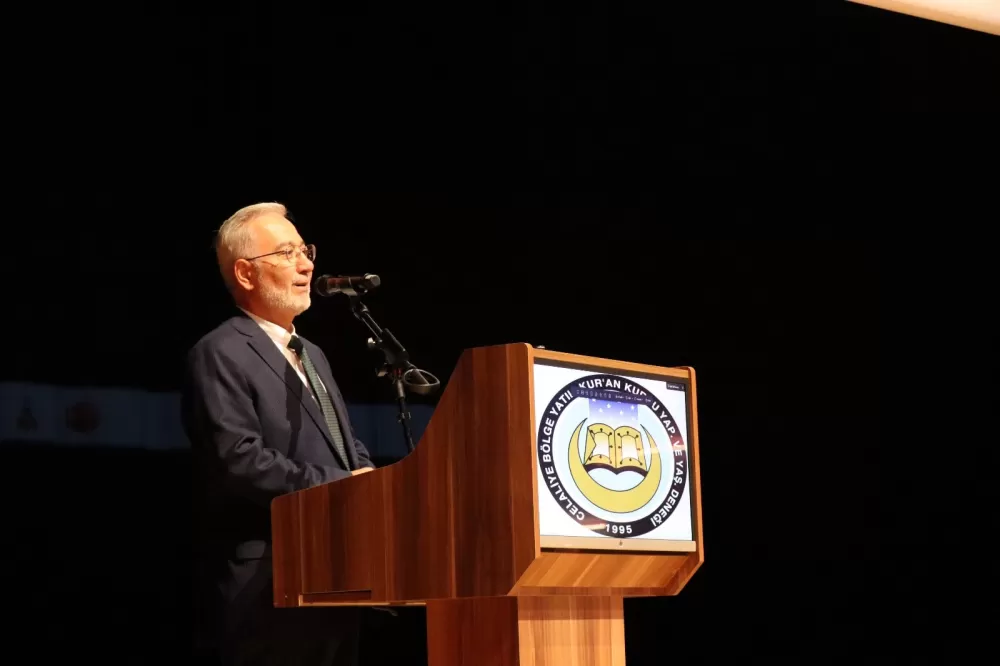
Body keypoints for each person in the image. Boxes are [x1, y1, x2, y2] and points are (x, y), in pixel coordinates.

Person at [182, 202, 374, 666]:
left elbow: (344, 443)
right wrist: (344, 486)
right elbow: (239, 461)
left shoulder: (312, 353)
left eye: (305, 251)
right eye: (287, 253)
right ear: (245, 273)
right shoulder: (220, 351)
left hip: (336, 573)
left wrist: (373, 480)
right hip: (269, 586)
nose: (306, 265)